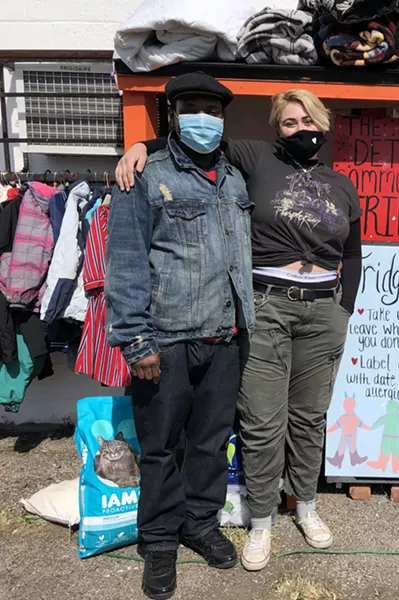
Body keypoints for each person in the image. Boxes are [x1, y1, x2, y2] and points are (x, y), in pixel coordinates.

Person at [115, 88, 362, 572]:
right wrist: (141, 145)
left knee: (309, 418)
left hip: (321, 312)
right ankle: (262, 520)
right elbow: (190, 145)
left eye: (308, 120)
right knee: (262, 422)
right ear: (276, 129)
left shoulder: (342, 184)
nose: (300, 130)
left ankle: (306, 506)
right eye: (289, 122)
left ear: (325, 125)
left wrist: (346, 306)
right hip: (266, 308)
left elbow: (352, 251)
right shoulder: (254, 156)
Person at [106, 72, 255, 599]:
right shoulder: (143, 175)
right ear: (171, 113)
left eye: (213, 111)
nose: (203, 119)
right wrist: (135, 341)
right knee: (161, 448)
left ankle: (200, 523)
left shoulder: (236, 178)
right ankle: (160, 540)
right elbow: (123, 260)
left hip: (224, 337)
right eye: (191, 107)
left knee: (211, 444)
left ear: (223, 119)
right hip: (166, 341)